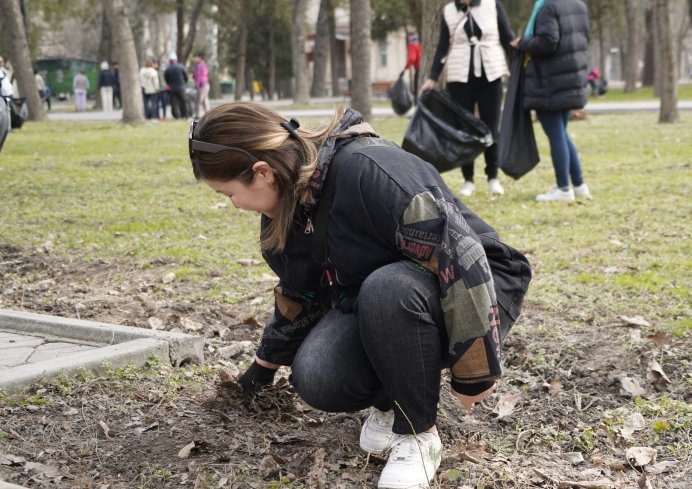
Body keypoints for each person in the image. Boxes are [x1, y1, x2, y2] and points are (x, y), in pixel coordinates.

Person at [189, 102, 531, 488]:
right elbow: (301, 288)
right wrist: (264, 366)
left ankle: (417, 435)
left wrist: (474, 372)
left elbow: (463, 259)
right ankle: (392, 401)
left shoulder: (370, 173)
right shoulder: (291, 203)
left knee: (387, 288)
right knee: (318, 375)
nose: (232, 205)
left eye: (227, 193)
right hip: (388, 303)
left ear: (262, 172)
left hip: (478, 287)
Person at [420, 0, 514, 197]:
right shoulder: (448, 11)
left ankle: (492, 177)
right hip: (459, 78)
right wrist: (432, 78)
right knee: (464, 130)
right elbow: (442, 47)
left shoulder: (492, 5)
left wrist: (517, 70)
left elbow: (507, 39)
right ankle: (468, 179)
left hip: (491, 75)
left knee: (491, 127)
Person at [512, 0, 593, 202]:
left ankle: (563, 188)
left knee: (556, 135)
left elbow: (548, 42)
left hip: (549, 81)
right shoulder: (578, 5)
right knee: (561, 133)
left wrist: (522, 43)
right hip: (570, 77)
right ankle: (579, 184)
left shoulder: (548, 6)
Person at [164, 52, 189, 119]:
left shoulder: (168, 69)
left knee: (174, 103)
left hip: (173, 88)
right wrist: (184, 83)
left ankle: (177, 116)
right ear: (176, 60)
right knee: (183, 102)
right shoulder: (181, 67)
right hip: (181, 88)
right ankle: (185, 115)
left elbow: (166, 79)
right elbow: (186, 76)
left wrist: (170, 84)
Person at [404, 32, 421, 104]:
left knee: (417, 90)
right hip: (424, 69)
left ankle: (417, 106)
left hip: (419, 70)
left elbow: (412, 58)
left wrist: (405, 68)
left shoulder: (412, 45)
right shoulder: (419, 43)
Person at [192, 52, 209, 117]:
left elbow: (200, 76)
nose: (194, 59)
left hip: (202, 85)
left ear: (199, 57)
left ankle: (198, 115)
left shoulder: (200, 65)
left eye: (194, 58)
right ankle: (208, 114)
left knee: (199, 101)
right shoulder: (200, 64)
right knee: (204, 100)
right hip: (204, 84)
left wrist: (197, 85)